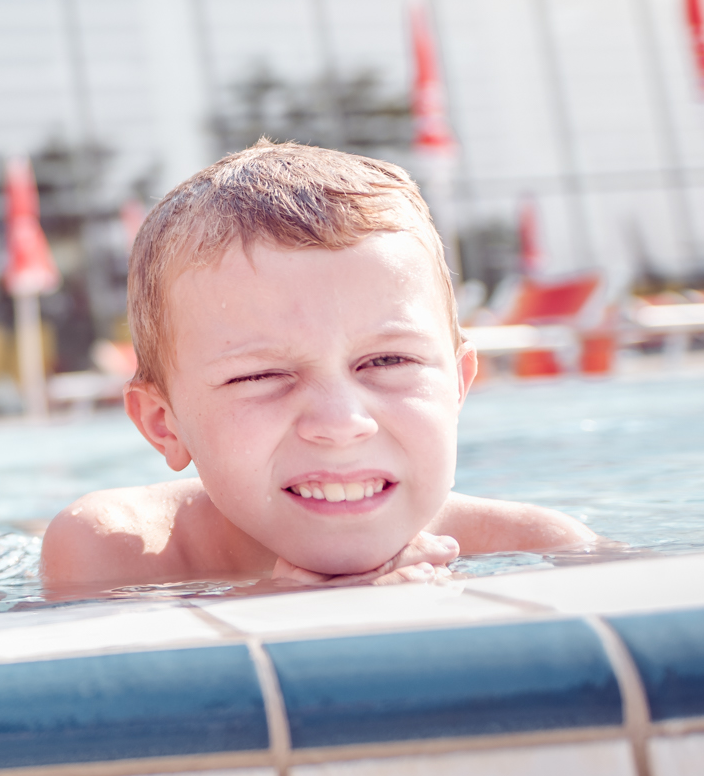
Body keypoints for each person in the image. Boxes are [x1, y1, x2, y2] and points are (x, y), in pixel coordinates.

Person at [41, 141, 596, 594]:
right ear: (165, 423)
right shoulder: (114, 554)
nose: (341, 421)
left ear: (458, 384)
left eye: (388, 360)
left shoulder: (541, 549)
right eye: (260, 376)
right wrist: (270, 608)